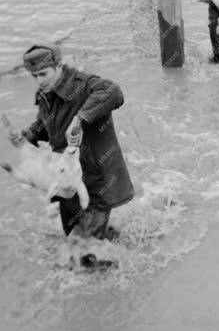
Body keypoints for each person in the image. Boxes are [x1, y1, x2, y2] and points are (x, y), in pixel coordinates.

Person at [16, 42, 135, 255]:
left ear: (59, 65)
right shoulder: (46, 92)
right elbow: (45, 124)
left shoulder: (84, 84)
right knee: (74, 232)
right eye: (34, 76)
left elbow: (113, 91)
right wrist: (28, 135)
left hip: (98, 174)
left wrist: (80, 118)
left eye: (43, 74)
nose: (39, 81)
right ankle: (107, 245)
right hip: (67, 176)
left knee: (86, 245)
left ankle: (103, 273)